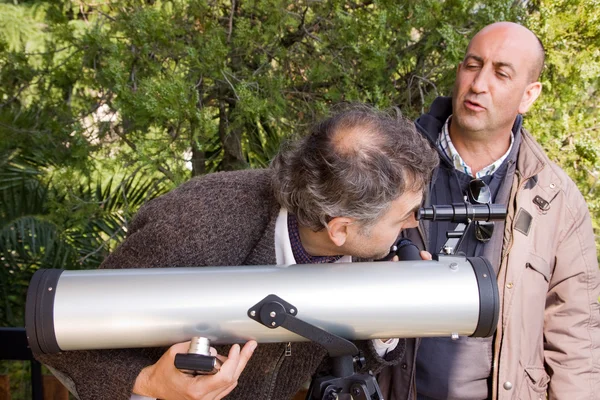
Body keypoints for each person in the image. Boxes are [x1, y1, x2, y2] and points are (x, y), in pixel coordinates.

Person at [34, 104, 439, 400]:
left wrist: (387, 316)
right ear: (340, 229)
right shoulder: (194, 227)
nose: (412, 225)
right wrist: (147, 384)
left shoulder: (364, 245)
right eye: (404, 215)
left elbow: (347, 356)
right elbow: (62, 339)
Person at [378, 22, 600, 400]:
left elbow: (575, 337)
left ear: (529, 95)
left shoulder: (554, 199)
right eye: (472, 65)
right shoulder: (386, 166)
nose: (479, 84)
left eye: (500, 73)